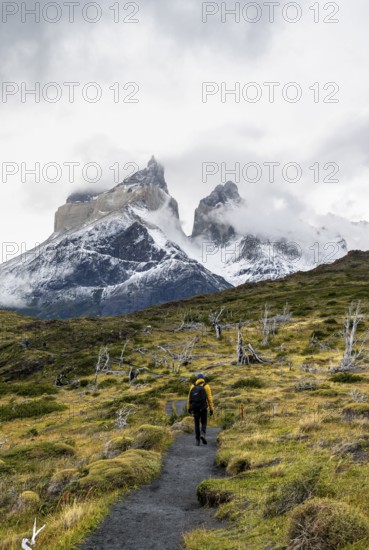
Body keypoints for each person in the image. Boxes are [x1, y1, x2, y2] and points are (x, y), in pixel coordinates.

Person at [187, 373, 214, 446]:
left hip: (195, 408)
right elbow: (209, 398)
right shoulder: (206, 386)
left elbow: (189, 398)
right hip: (203, 408)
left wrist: (189, 408)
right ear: (203, 378)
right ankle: (203, 433)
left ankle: (197, 440)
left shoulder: (193, 386)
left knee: (196, 423)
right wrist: (211, 409)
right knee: (204, 421)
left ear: (197, 379)